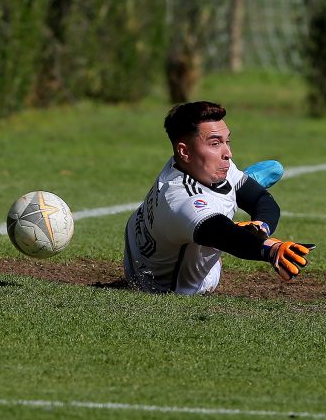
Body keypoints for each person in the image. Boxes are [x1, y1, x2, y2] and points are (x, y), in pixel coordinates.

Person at [123, 101, 314, 294]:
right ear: (185, 151)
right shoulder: (181, 199)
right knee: (220, 230)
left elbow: (263, 201)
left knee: (229, 198)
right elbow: (226, 237)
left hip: (143, 249)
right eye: (215, 143)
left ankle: (235, 190)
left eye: (227, 141)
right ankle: (232, 195)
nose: (228, 154)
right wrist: (271, 249)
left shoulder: (194, 165)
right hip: (163, 286)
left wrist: (261, 227)